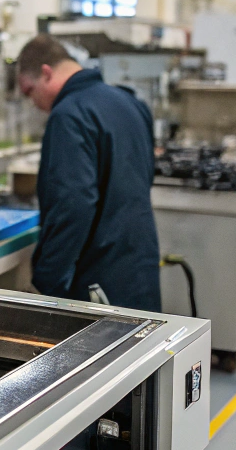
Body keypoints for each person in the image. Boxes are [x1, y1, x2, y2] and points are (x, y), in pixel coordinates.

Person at [17, 34, 161, 312]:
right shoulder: (130, 102)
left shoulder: (69, 115)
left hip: (99, 279)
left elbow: (73, 206)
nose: (32, 102)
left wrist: (47, 283)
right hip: (139, 268)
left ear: (46, 73)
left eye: (28, 90)